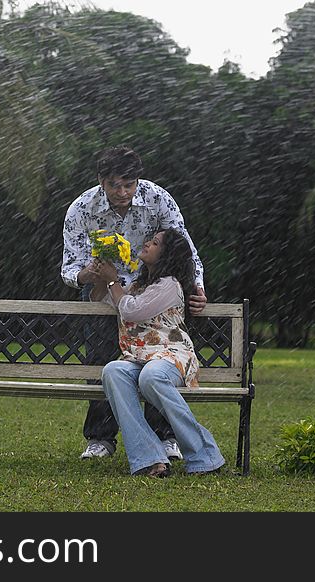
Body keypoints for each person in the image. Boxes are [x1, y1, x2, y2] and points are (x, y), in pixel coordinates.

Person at [61, 145, 207, 460]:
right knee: (102, 362)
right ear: (101, 180)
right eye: (115, 185)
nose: (122, 192)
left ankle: (165, 436)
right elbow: (70, 270)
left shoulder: (158, 199)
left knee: (157, 362)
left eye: (129, 185)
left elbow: (184, 248)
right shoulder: (81, 209)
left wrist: (197, 287)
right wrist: (90, 273)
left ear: (137, 180)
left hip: (153, 291)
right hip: (102, 294)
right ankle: (100, 437)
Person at [91, 228, 225, 477]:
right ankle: (149, 458)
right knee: (113, 371)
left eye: (155, 243)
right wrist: (100, 274)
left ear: (167, 255)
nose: (147, 245)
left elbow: (131, 311)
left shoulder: (169, 285)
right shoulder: (139, 284)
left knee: (151, 376)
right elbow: (102, 299)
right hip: (140, 357)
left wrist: (112, 281)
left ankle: (204, 455)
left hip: (171, 354)